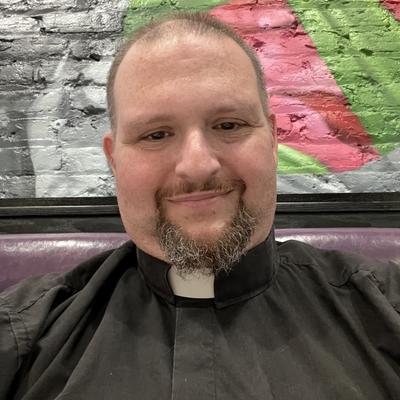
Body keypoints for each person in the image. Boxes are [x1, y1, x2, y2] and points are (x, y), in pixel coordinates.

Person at [1, 12, 400, 400]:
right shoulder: (22, 333)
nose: (197, 165)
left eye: (229, 125)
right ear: (114, 160)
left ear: (272, 140)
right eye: (156, 135)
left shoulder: (386, 307)